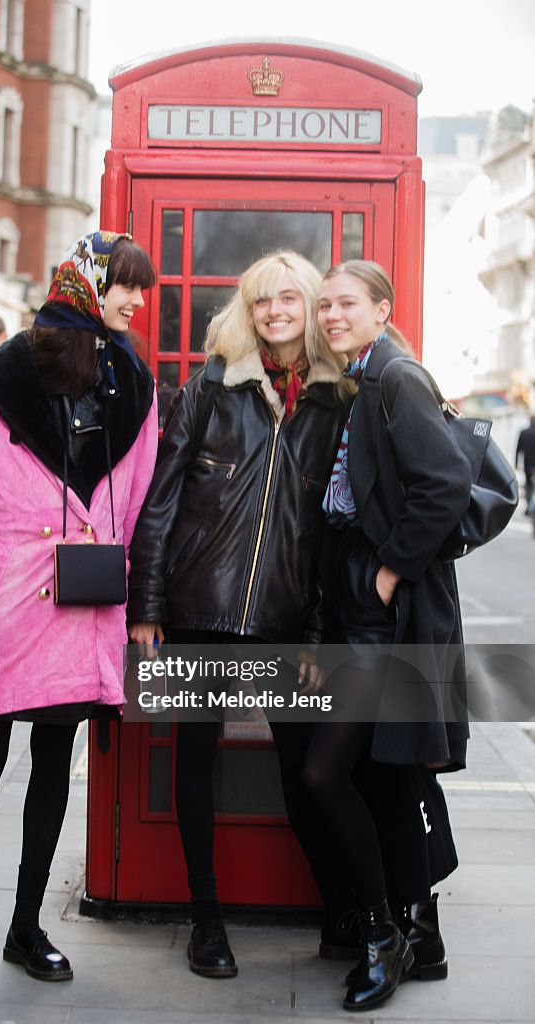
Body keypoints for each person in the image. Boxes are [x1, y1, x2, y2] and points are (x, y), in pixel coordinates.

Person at [0, 231, 158, 984]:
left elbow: (138, 505)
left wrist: (136, 594)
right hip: (6, 596)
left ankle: (24, 926)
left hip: (82, 602)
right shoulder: (0, 377)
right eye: (126, 286)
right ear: (86, 283)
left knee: (55, 760)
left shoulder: (134, 384)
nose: (138, 301)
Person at [127, 250, 352, 978]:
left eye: (289, 298)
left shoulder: (333, 402)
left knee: (304, 769)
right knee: (194, 762)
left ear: (310, 306)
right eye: (262, 301)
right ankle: (205, 919)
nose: (275, 311)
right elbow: (160, 500)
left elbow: (329, 532)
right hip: (200, 607)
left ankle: (347, 911)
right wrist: (147, 606)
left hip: (286, 616)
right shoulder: (210, 388)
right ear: (246, 312)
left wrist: (318, 629)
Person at [294, 259, 473, 1012]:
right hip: (355, 609)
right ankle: (418, 929)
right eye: (324, 305)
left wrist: (391, 571)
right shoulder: (362, 379)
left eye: (346, 304)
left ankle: (378, 934)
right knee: (385, 775)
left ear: (380, 309)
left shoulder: (395, 376)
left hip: (383, 615)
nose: (332, 316)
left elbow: (444, 485)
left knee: (323, 775)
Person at [515, 415, 535, 515]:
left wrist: (516, 462)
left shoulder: (524, 432)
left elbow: (518, 449)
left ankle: (529, 506)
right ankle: (532, 506)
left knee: (529, 485)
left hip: (527, 463)